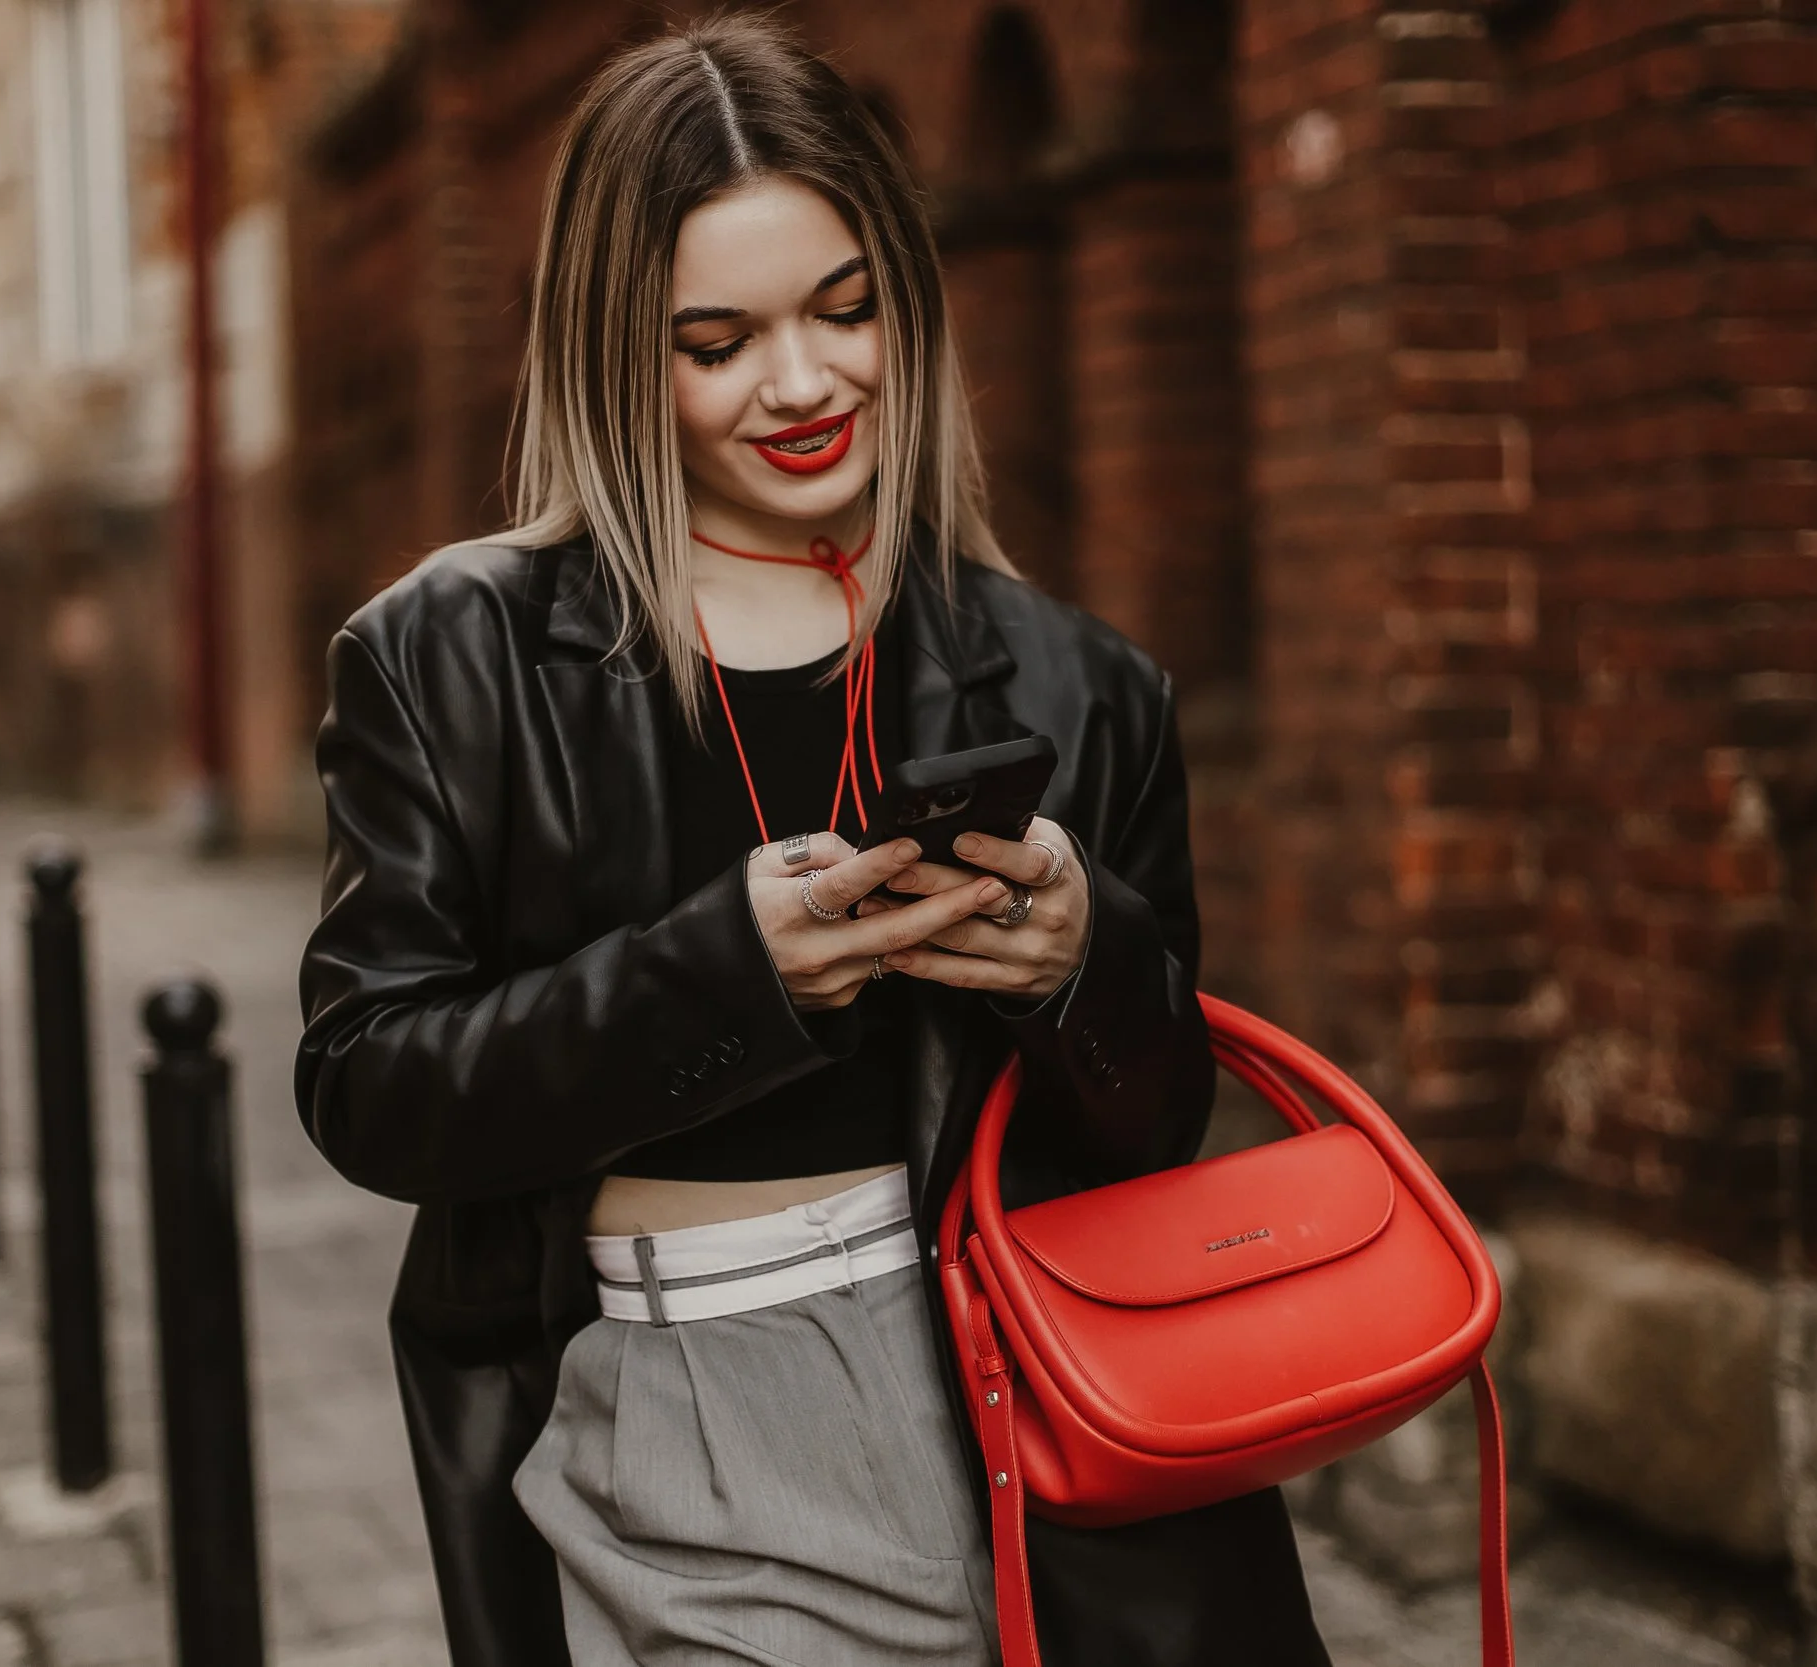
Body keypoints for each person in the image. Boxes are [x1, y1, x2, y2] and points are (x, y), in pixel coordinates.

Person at [296, 15, 1328, 1665]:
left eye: (845, 311)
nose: (803, 382)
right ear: (616, 352)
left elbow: (1153, 1122)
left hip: (1039, 1409)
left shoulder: (1077, 677)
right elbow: (369, 1078)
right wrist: (724, 972)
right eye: (718, 341)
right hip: (692, 1414)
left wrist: (1081, 959)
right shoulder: (453, 656)